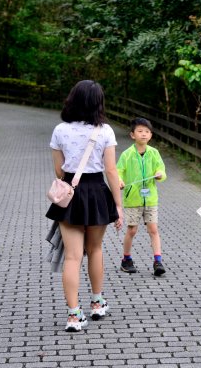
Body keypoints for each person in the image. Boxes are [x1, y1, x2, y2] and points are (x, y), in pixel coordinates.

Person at [45, 80, 123, 332]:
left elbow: (59, 170)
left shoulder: (59, 130)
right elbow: (111, 171)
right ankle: (97, 302)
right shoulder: (105, 131)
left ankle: (73, 315)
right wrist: (119, 206)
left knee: (72, 256)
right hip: (97, 192)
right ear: (98, 103)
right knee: (96, 249)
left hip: (70, 194)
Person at [117, 117, 167, 276]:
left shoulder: (154, 153)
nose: (143, 134)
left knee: (153, 229)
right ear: (132, 135)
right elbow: (118, 172)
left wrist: (160, 174)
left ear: (151, 135)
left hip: (151, 199)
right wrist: (119, 181)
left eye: (147, 132)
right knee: (132, 230)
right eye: (140, 131)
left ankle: (157, 261)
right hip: (132, 200)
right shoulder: (127, 155)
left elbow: (162, 170)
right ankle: (126, 259)